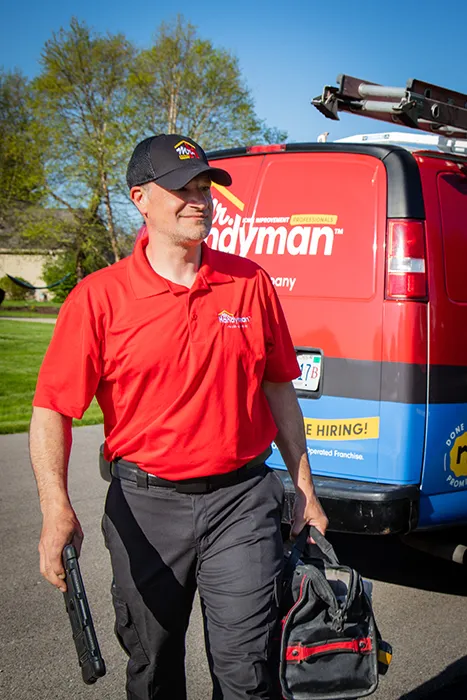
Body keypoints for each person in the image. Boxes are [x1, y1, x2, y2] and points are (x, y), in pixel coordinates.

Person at [29, 133, 328, 700]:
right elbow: (51, 410)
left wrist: (306, 491)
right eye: (181, 189)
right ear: (140, 198)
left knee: (249, 673)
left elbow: (279, 391)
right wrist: (54, 508)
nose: (198, 200)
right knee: (154, 667)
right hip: (146, 506)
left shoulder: (250, 284)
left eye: (204, 187)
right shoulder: (99, 298)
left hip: (242, 502)